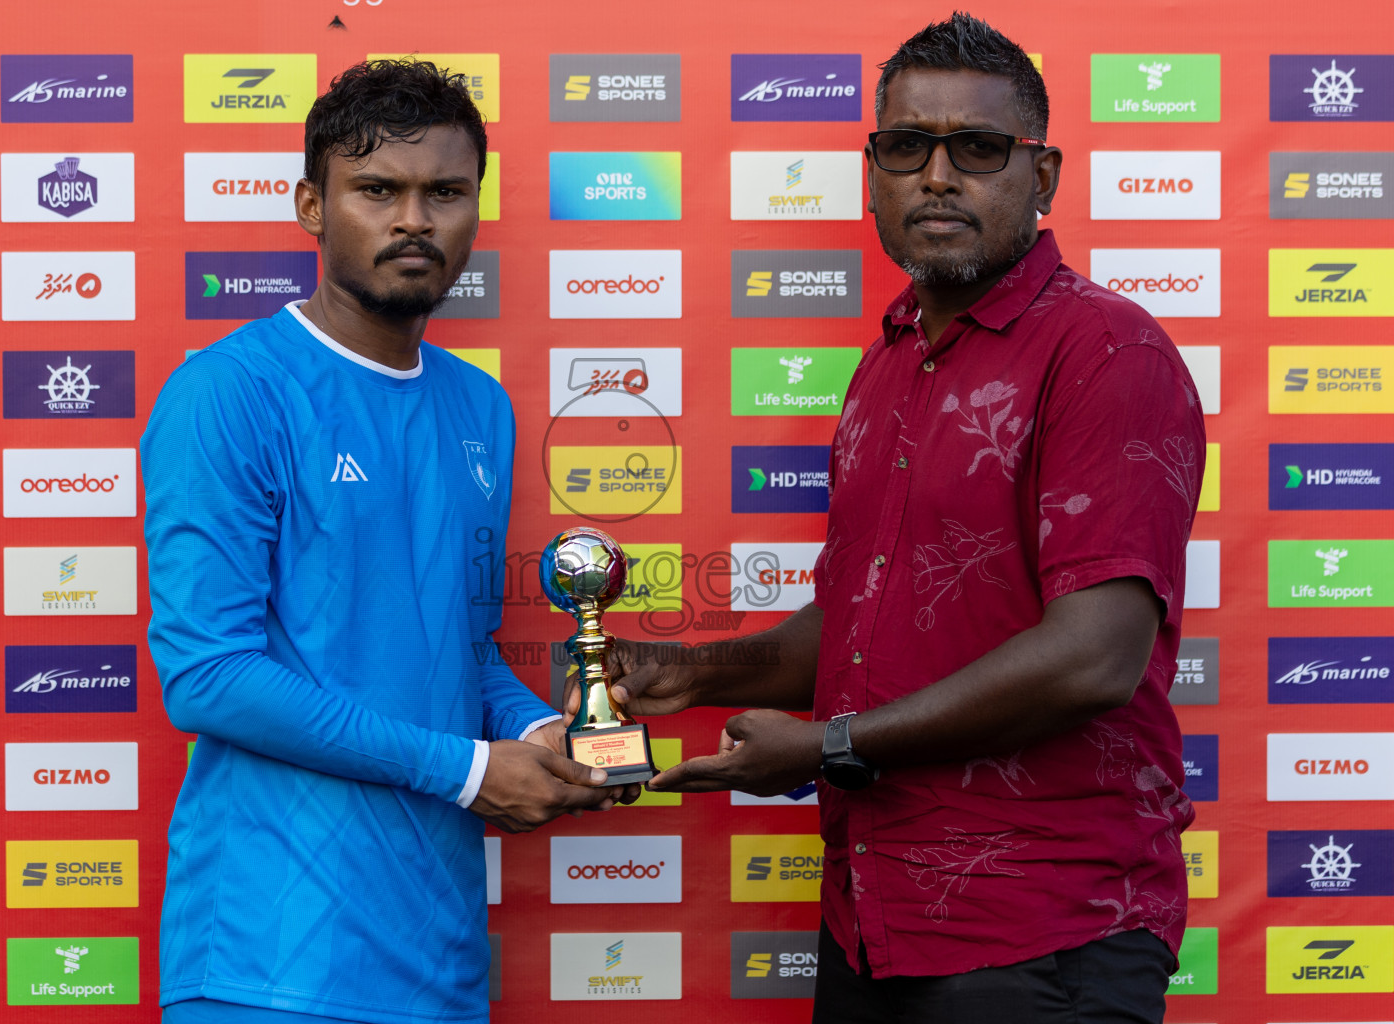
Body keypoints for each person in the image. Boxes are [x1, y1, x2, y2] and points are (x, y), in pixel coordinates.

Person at [606, 14, 1205, 1024]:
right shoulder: (886, 363)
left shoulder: (1107, 352)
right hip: (873, 921)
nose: (937, 175)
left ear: (1042, 176)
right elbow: (862, 624)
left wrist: (831, 745)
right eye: (905, 147)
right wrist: (694, 671)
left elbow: (1096, 656)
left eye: (976, 149)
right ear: (872, 170)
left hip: (1042, 930)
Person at [142, 60, 621, 1024]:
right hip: (270, 958)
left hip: (439, 955)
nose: (415, 220)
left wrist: (537, 733)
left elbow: (459, 651)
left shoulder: (479, 406)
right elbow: (209, 674)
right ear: (312, 206)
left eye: (445, 192)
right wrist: (471, 770)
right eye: (378, 190)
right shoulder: (230, 392)